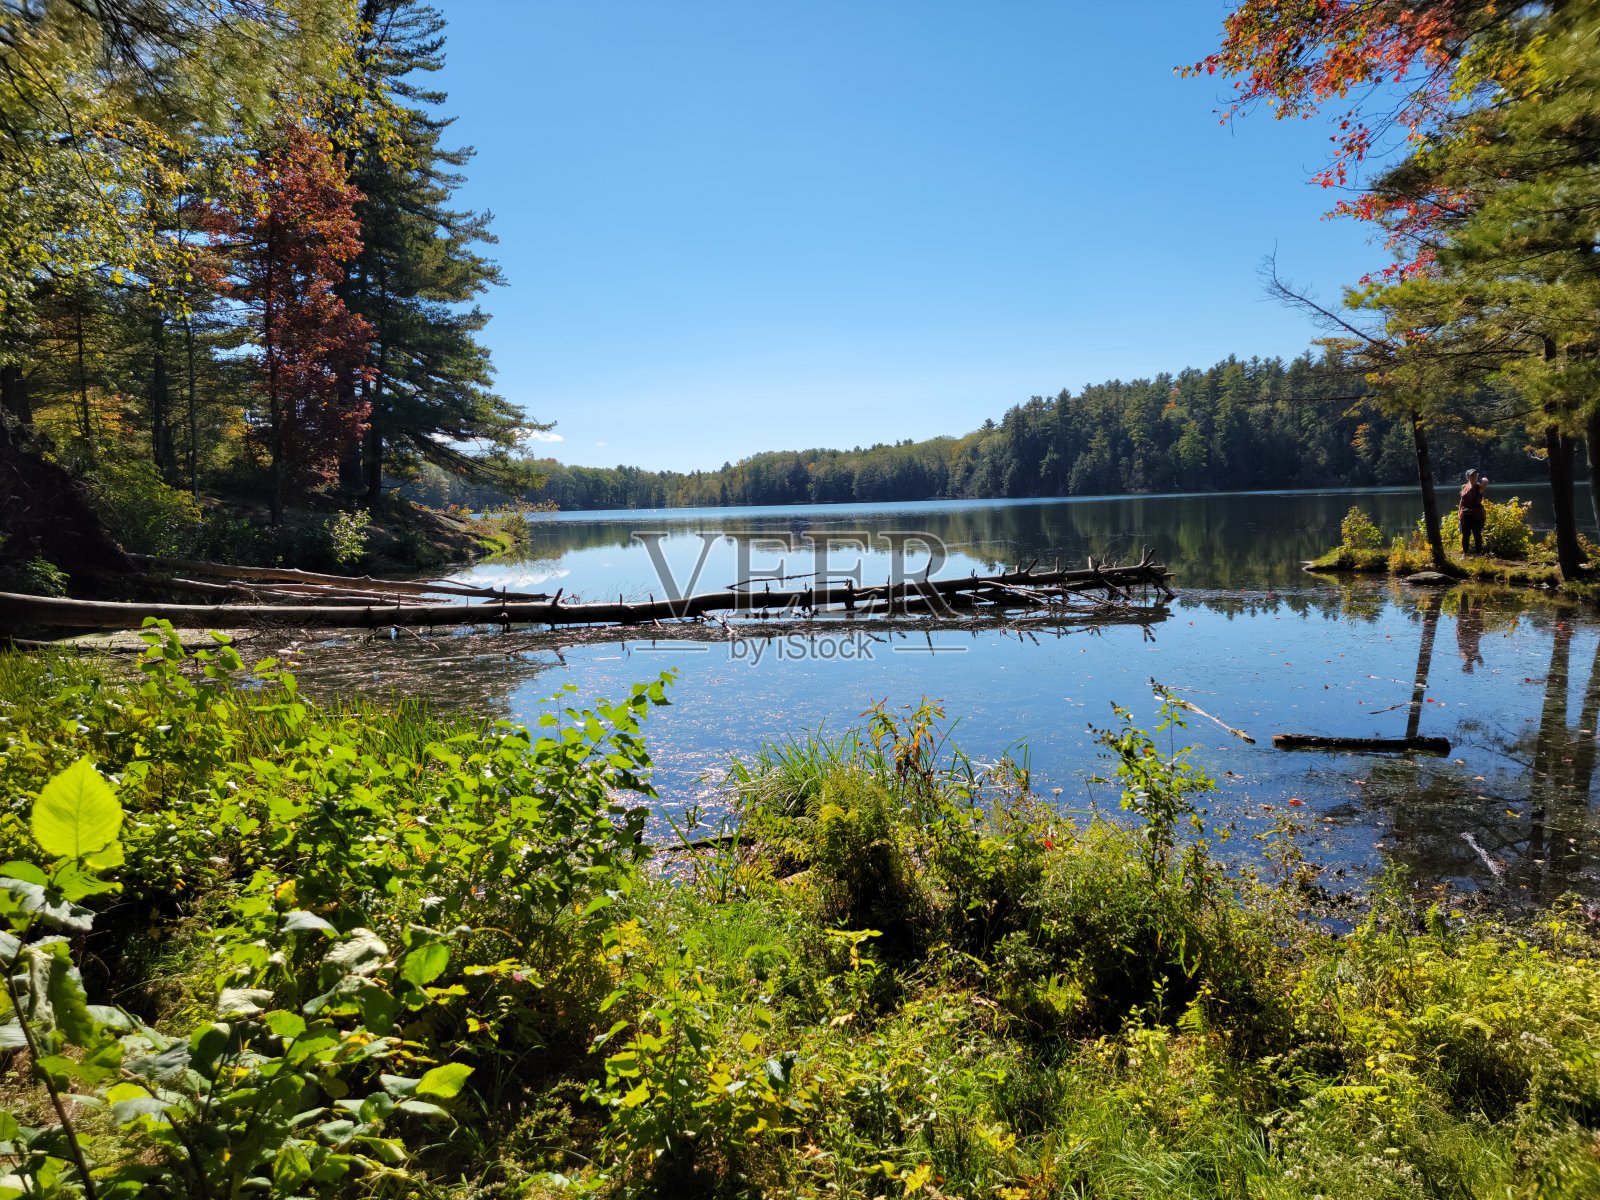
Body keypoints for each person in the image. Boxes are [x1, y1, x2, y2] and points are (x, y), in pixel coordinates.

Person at [1458, 468, 1487, 554]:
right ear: (1467, 477)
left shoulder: (1479, 487)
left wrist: (1483, 479)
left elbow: (1486, 482)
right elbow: (1461, 502)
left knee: (1477, 535)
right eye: (1472, 475)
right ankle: (1465, 554)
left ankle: (1478, 554)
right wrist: (1459, 514)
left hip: (1477, 515)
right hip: (1466, 514)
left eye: (1476, 475)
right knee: (1465, 535)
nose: (1475, 477)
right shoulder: (1464, 487)